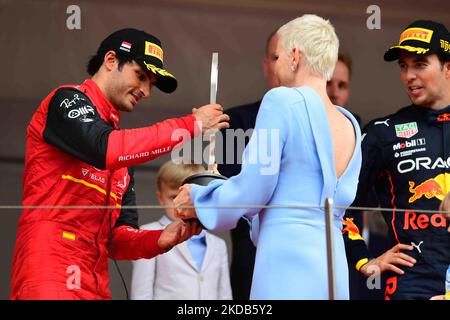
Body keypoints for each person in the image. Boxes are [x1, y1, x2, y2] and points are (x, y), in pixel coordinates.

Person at [10, 28, 229, 300]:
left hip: (95, 278)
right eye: (141, 76)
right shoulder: (66, 100)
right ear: (111, 60)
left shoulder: (123, 160)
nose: (146, 91)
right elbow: (105, 148)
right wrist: (191, 125)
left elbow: (117, 241)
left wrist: (162, 238)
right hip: (49, 268)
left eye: (151, 83)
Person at [174, 14, 362, 299]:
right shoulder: (350, 123)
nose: (275, 66)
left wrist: (201, 197)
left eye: (278, 57)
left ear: (295, 55)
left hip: (286, 262)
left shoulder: (281, 100)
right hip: (334, 264)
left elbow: (252, 189)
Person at [343, 20, 450, 300]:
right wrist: (364, 260)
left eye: (420, 64)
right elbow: (340, 206)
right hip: (412, 285)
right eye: (403, 66)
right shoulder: (383, 132)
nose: (408, 76)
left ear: (448, 67)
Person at [217, 30, 278, 300]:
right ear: (266, 64)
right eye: (277, 57)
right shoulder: (237, 121)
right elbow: (233, 194)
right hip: (252, 255)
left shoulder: (332, 121)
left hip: (310, 256)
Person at [131, 161, 232, 300]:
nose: (180, 203)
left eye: (189, 197)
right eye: (173, 197)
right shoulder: (149, 235)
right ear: (161, 198)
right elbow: (141, 294)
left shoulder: (218, 244)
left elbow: (225, 295)